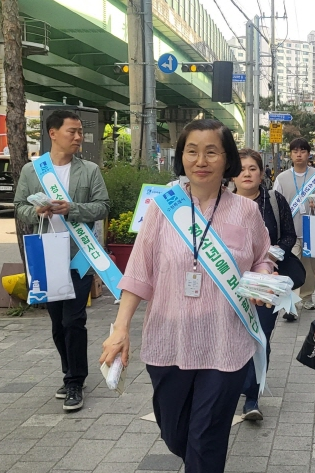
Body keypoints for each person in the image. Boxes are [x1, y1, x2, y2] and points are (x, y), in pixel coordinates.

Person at [100, 119, 273, 473]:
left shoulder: (246, 211)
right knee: (175, 432)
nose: (201, 160)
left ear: (227, 160)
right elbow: (138, 270)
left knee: (206, 437)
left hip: (226, 342)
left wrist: (263, 278)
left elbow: (263, 256)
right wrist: (120, 328)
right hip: (168, 340)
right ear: (181, 158)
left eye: (212, 151)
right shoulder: (163, 207)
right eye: (192, 151)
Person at [14, 110, 109, 412]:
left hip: (77, 256)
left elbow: (103, 206)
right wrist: (35, 211)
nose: (79, 137)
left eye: (80, 131)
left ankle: (75, 382)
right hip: (46, 256)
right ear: (52, 133)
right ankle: (70, 372)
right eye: (73, 131)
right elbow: (18, 207)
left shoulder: (90, 170)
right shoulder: (33, 171)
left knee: (73, 320)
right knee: (57, 323)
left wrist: (72, 209)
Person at [233, 148, 297, 420]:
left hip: (264, 280)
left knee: (261, 335)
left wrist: (267, 256)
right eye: (241, 169)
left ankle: (251, 396)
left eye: (252, 168)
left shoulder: (273, 200)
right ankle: (231, 382)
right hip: (229, 281)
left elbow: (289, 237)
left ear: (262, 173)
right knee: (233, 335)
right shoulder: (220, 203)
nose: (246, 173)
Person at [273, 138, 315, 318]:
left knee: (308, 268)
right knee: (290, 267)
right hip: (289, 232)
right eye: (295, 151)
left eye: (303, 151)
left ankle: (307, 297)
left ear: (308, 154)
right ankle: (290, 303)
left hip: (311, 230)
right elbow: (276, 203)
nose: (299, 155)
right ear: (290, 154)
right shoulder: (281, 178)